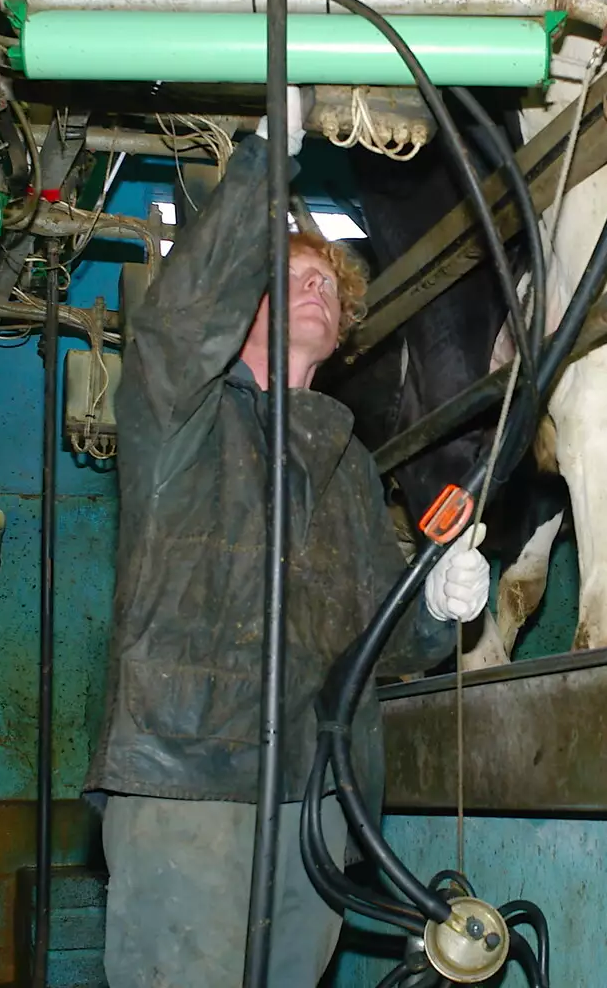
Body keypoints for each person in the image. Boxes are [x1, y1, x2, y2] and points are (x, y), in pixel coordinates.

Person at [86, 87, 491, 987]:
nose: (317, 287)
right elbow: (179, 322)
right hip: (190, 778)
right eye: (292, 276)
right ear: (246, 306)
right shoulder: (180, 417)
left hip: (319, 801)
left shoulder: (345, 464)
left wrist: (431, 606)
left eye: (329, 288)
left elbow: (378, 653)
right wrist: (266, 164)